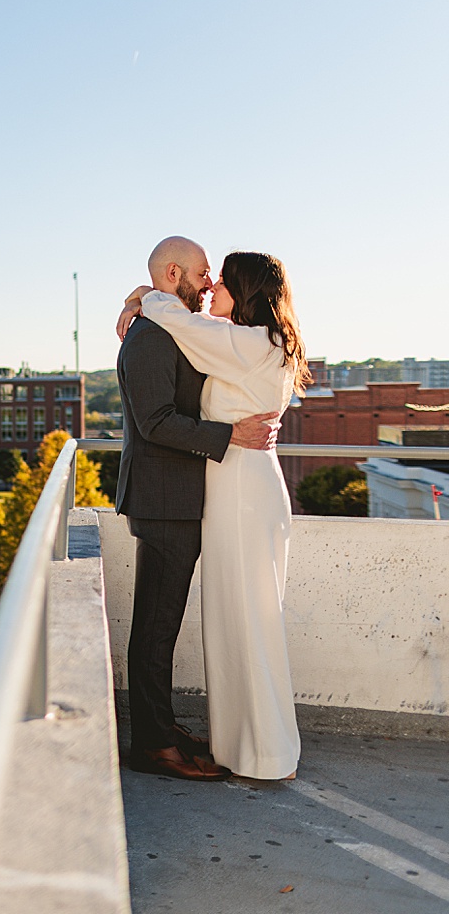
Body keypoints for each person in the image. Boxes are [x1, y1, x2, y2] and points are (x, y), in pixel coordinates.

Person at [118, 250, 310, 781]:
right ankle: (235, 743)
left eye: (221, 279)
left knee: (246, 619)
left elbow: (181, 319)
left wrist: (141, 298)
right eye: (205, 275)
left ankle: (262, 750)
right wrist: (140, 297)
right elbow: (179, 332)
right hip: (226, 491)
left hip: (242, 493)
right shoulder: (248, 340)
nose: (211, 285)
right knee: (231, 619)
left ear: (245, 292)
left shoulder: (246, 342)